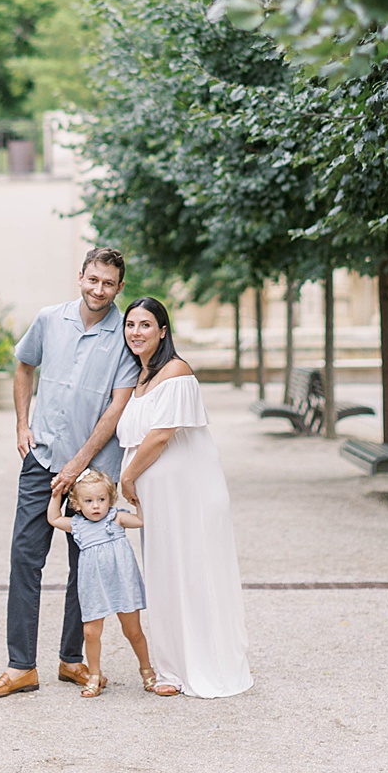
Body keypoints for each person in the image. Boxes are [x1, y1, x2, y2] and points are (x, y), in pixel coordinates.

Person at [0, 246, 140, 699]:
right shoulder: (49, 319)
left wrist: (78, 465)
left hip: (93, 479)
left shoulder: (124, 333)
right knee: (24, 558)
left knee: (84, 567)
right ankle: (20, 667)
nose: (99, 289)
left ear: (119, 287)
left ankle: (71, 659)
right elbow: (24, 366)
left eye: (108, 283)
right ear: (80, 276)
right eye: (93, 279)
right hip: (42, 459)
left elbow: (116, 408)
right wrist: (21, 424)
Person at [117, 296, 253, 698]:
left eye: (145, 325)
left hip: (187, 495)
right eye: (130, 325)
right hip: (161, 498)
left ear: (163, 331)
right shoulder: (140, 376)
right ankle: (173, 666)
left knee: (192, 574)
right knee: (167, 577)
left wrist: (128, 479)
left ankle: (202, 663)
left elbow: (161, 434)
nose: (136, 332)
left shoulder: (176, 372)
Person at [47, 468, 159, 698]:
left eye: (101, 499)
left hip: (121, 583)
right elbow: (54, 518)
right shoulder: (77, 525)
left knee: (133, 630)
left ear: (110, 499)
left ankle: (147, 669)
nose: (96, 506)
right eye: (89, 501)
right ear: (77, 504)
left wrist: (136, 499)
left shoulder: (116, 518)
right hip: (94, 586)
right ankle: (94, 675)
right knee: (90, 632)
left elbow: (141, 520)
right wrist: (56, 493)